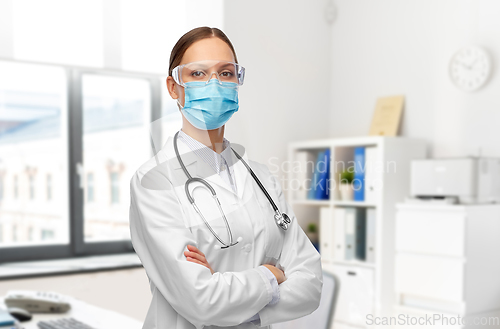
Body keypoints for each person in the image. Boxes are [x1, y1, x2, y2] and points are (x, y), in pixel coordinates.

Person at [129, 26, 323, 329]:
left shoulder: (262, 178)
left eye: (226, 73)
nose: (215, 84)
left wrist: (229, 293)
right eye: (197, 74)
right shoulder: (153, 182)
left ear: (237, 81)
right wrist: (271, 275)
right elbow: (202, 302)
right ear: (173, 87)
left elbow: (310, 284)